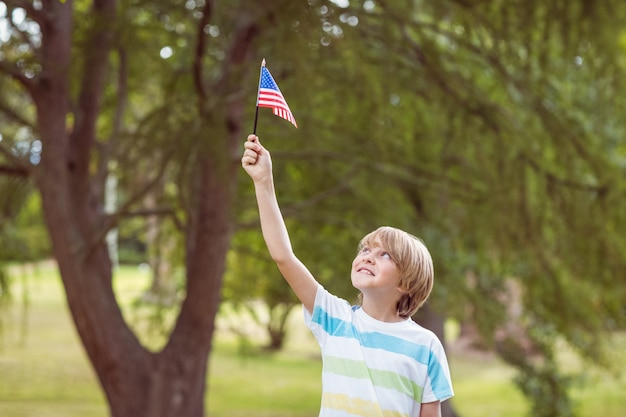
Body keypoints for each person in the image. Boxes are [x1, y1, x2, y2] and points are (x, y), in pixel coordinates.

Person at [241, 134, 454, 417]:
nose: (367, 255)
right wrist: (263, 182)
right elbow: (283, 256)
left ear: (407, 282)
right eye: (366, 249)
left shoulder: (426, 346)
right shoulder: (335, 320)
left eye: (384, 254)